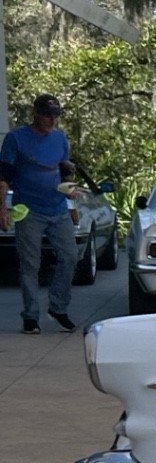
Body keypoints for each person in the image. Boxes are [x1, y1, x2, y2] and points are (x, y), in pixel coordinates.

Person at [0, 95, 78, 334]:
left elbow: (65, 172)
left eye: (55, 115)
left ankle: (58, 307)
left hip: (57, 208)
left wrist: (71, 200)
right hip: (29, 210)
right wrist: (2, 208)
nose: (51, 120)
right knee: (30, 264)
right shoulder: (16, 139)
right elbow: (3, 176)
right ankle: (31, 316)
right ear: (35, 113)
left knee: (70, 256)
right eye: (47, 115)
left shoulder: (59, 138)